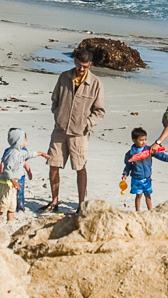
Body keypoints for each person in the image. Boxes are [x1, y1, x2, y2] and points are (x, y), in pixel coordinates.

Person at [46, 47, 105, 213]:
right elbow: (55, 100)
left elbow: (99, 111)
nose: (81, 69)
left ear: (90, 65)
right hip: (59, 129)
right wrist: (58, 115)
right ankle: (54, 201)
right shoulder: (64, 77)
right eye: (79, 65)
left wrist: (86, 124)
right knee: (53, 165)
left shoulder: (96, 83)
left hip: (80, 133)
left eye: (85, 66)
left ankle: (81, 204)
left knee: (80, 167)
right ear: (74, 62)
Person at [0, 127, 43, 224]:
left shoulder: (22, 152)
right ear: (19, 141)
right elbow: (7, 168)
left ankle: (11, 222)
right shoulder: (12, 153)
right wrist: (13, 181)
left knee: (12, 205)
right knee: (3, 205)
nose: (26, 142)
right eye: (25, 140)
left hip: (16, 181)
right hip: (7, 183)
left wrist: (42, 154)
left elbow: (29, 155)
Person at [121, 126, 168, 211]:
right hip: (136, 178)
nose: (144, 142)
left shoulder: (149, 149)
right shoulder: (131, 153)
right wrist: (125, 174)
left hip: (147, 178)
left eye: (145, 139)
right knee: (138, 195)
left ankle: (150, 210)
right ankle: (138, 211)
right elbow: (128, 166)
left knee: (148, 194)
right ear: (134, 140)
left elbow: (159, 155)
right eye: (141, 140)